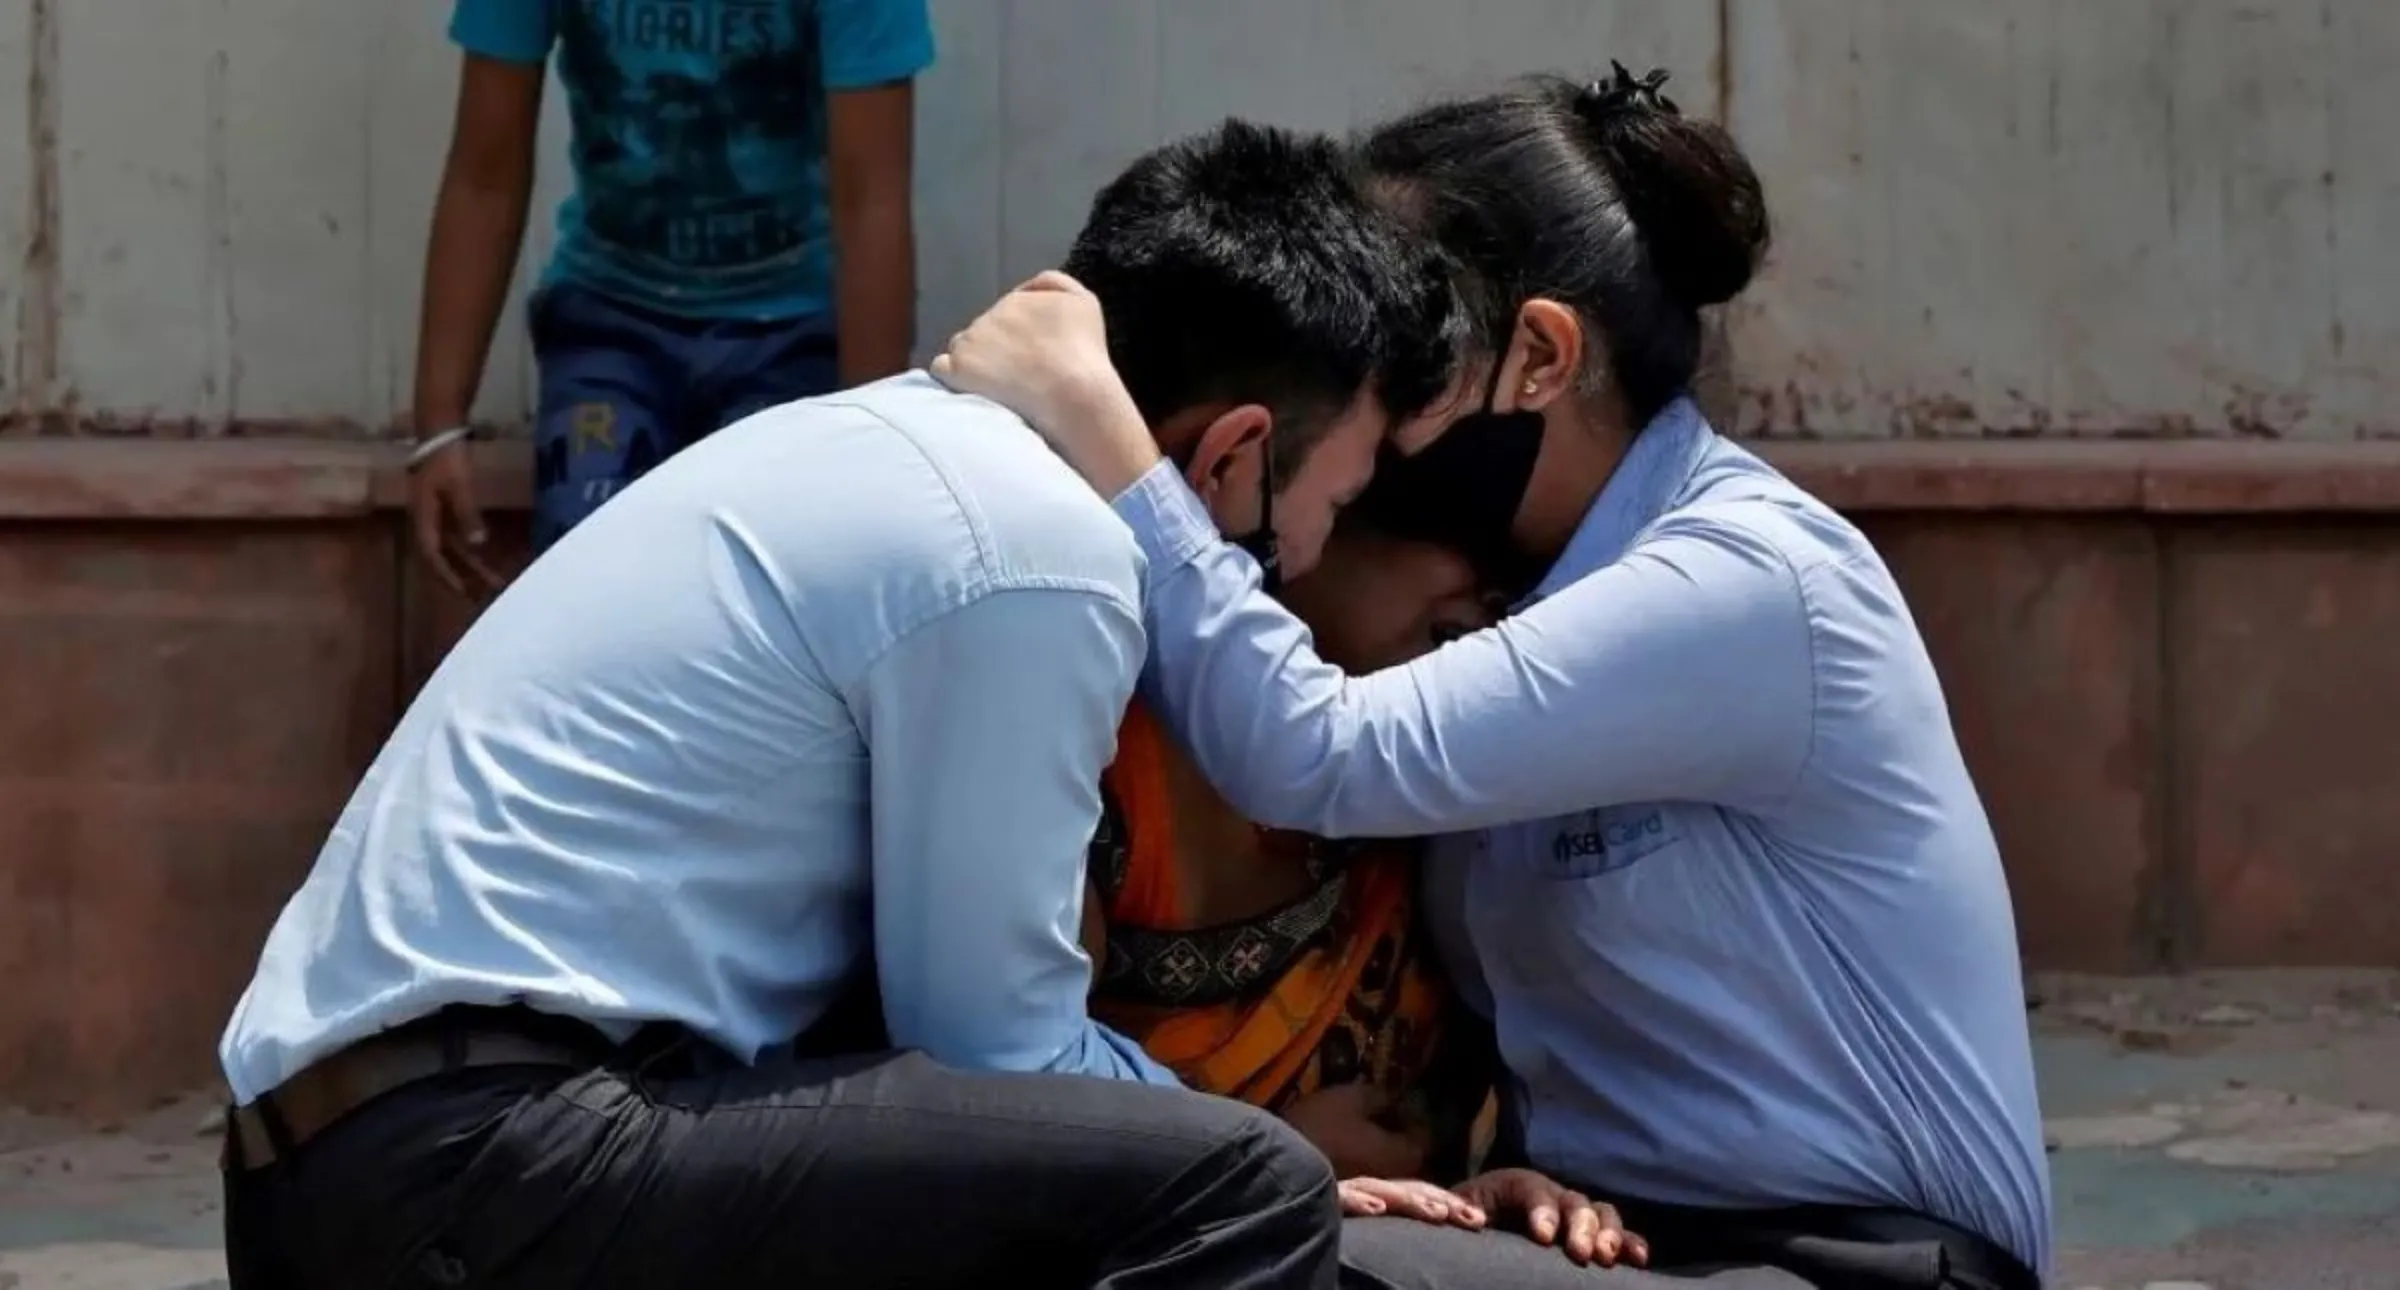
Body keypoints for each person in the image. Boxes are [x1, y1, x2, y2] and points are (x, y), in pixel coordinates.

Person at [215, 120, 1465, 1290]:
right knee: (1245, 1189)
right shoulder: (1034, 550)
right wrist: (1276, 1145)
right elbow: (997, 1044)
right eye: (1334, 504)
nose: (1305, 558)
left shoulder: (889, 450)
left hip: (364, 1155)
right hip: (481, 1158)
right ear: (1232, 452)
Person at [932, 66, 2053, 1290]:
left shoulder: (1746, 581)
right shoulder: (1515, 601)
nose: (1367, 390)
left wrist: (1112, 439)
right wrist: (1505, 1175)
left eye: (1408, 347)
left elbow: (1321, 757)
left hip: (1857, 1260)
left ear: (1540, 355)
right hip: (1629, 1245)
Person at [403, 0, 934, 594]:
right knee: (582, 591)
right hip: (610, 320)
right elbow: (485, 172)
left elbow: (871, 202)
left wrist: (869, 440)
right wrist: (439, 428)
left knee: (767, 595)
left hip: (790, 331)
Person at [1084, 520, 1503, 1185]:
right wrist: (1268, 1162)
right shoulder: (1109, 763)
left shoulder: (1465, 786)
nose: (1504, 592)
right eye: (1474, 535)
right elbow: (1017, 1107)